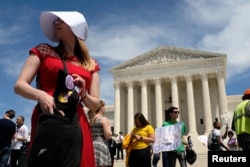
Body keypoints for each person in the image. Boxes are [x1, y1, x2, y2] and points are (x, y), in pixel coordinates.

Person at [14, 11, 100, 167]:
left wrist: (84, 94)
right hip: (49, 115)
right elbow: (19, 85)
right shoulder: (43, 51)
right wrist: (40, 95)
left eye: (61, 20)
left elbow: (95, 104)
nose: (56, 23)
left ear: (74, 27)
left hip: (76, 120)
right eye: (55, 21)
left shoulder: (91, 64)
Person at [89, 100, 112, 167]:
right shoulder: (103, 119)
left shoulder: (91, 120)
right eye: (104, 107)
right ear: (101, 108)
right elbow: (108, 135)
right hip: (101, 146)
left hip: (92, 146)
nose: (105, 109)